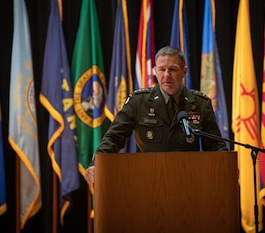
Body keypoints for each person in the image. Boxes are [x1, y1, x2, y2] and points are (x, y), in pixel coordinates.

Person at [84, 45, 228, 186]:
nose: (166, 75)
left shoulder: (200, 103)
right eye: (162, 69)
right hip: (148, 180)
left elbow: (215, 145)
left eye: (172, 69)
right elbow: (114, 137)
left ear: (184, 72)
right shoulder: (139, 101)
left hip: (188, 181)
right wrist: (96, 164)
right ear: (155, 71)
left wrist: (226, 166)